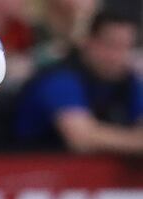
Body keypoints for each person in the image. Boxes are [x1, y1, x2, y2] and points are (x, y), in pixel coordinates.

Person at [14, 10, 143, 153]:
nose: (116, 56)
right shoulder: (58, 79)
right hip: (24, 168)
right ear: (88, 41)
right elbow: (82, 138)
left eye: (126, 47)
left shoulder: (129, 81)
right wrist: (136, 141)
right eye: (110, 45)